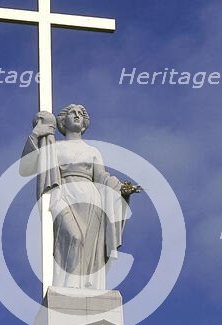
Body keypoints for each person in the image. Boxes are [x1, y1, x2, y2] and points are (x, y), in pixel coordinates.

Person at [20, 105, 140, 289]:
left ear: (84, 123)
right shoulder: (54, 147)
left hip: (92, 201)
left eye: (81, 113)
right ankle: (66, 285)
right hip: (64, 195)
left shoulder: (92, 151)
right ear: (62, 121)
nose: (77, 115)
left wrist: (122, 188)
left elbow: (102, 178)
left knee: (89, 247)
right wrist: (36, 134)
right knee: (73, 237)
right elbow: (26, 168)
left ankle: (85, 286)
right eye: (72, 112)